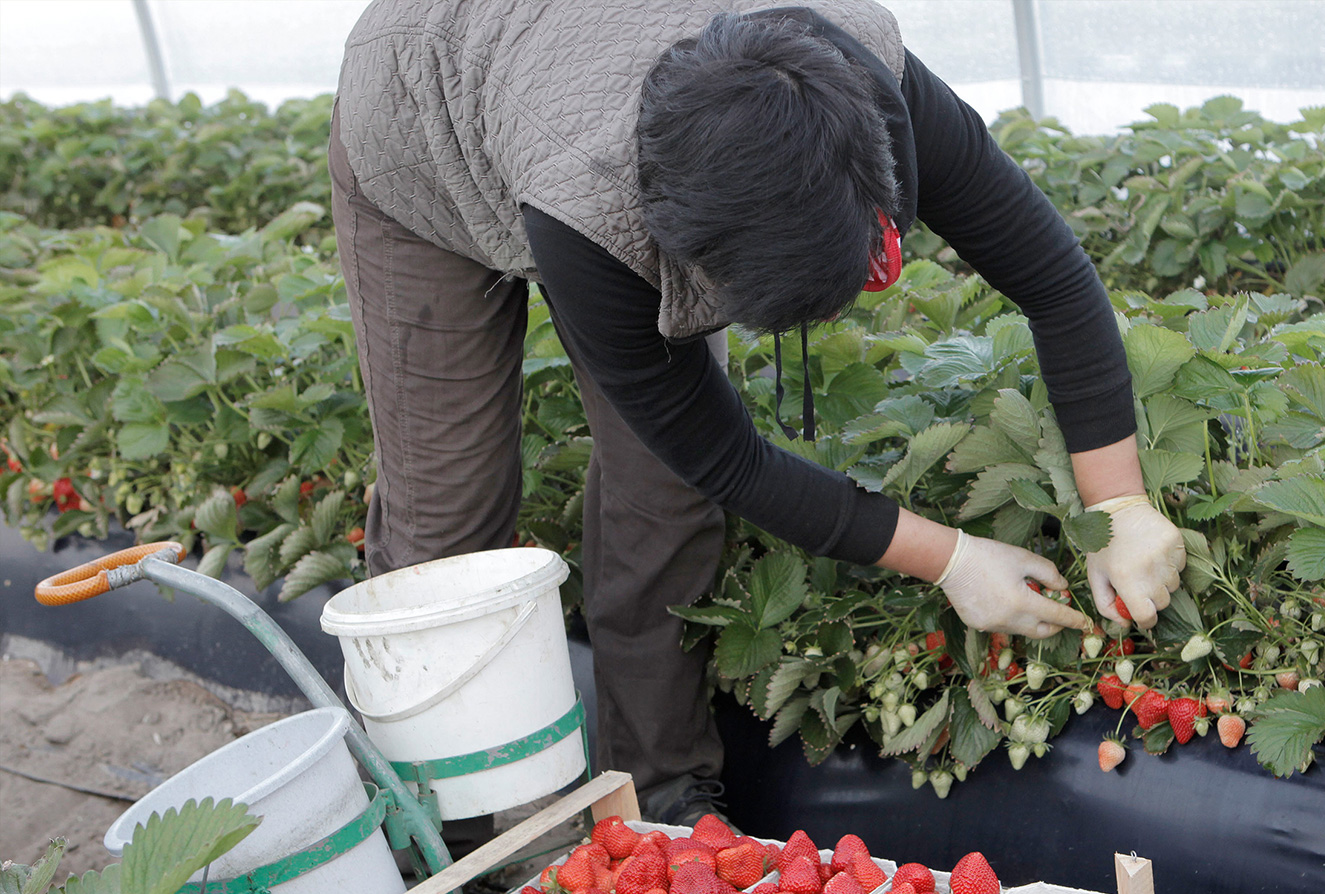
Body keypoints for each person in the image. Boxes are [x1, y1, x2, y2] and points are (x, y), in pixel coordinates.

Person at [329, 0, 1185, 828]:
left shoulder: (868, 79)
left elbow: (1053, 278)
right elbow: (725, 456)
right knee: (449, 521)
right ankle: (442, 816)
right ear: (681, 239)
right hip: (419, 130)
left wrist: (1118, 502)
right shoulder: (597, 205)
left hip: (559, 84)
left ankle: (654, 797)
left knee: (661, 491)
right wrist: (951, 558)